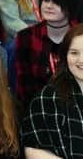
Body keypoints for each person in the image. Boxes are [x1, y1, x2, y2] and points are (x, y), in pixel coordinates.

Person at [15, 0, 80, 107]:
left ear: (71, 6)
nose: (48, 6)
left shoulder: (80, 36)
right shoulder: (26, 37)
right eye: (45, 0)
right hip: (39, 106)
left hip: (77, 105)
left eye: (56, 2)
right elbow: (24, 85)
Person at [21, 23, 83, 158]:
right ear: (65, 56)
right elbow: (33, 150)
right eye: (74, 53)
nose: (81, 60)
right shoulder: (46, 98)